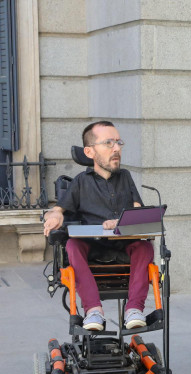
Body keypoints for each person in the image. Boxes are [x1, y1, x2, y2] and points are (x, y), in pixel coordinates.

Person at [42, 121, 154, 331]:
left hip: (124, 246)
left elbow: (138, 210)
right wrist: (53, 216)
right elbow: (58, 209)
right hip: (92, 248)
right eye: (109, 143)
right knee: (72, 246)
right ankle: (93, 310)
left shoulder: (126, 177)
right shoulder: (80, 182)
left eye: (118, 142)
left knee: (145, 247)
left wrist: (122, 220)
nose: (117, 148)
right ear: (89, 151)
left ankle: (134, 309)